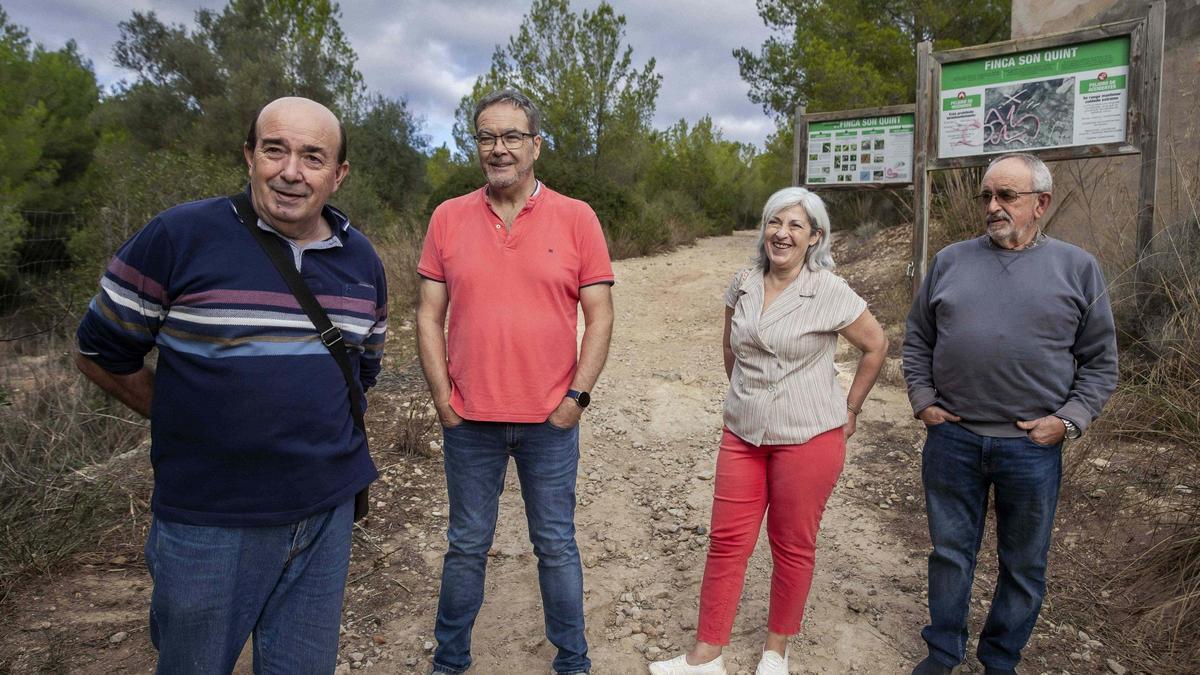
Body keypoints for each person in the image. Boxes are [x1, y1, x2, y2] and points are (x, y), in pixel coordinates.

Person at [74, 96, 387, 673]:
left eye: (313, 157)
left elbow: (361, 371)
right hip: (209, 519)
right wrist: (184, 416)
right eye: (275, 150)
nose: (291, 171)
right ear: (249, 156)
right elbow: (99, 352)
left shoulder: (361, 258)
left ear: (339, 174)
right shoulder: (179, 235)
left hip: (325, 512)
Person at [416, 88, 614, 675]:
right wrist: (443, 399)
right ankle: (449, 662)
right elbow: (427, 314)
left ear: (536, 146)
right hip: (469, 421)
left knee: (555, 545)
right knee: (466, 546)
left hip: (550, 422)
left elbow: (600, 315)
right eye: (486, 136)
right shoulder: (447, 217)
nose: (498, 148)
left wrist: (576, 399)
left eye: (511, 137)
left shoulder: (577, 217)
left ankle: (572, 662)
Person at [650, 187, 887, 675]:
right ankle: (706, 655)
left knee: (792, 545)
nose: (782, 233)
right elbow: (729, 348)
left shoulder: (828, 289)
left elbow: (876, 345)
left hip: (809, 436)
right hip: (744, 434)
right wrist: (747, 395)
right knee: (726, 541)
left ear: (814, 237)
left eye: (795, 225)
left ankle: (776, 651)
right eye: (774, 222)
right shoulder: (742, 283)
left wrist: (851, 408)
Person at [903, 153, 1118, 675]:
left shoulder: (1077, 267)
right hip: (953, 440)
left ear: (1040, 204)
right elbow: (917, 340)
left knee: (1023, 564)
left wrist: (1067, 421)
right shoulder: (950, 261)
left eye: (1006, 196)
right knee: (950, 554)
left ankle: (1000, 660)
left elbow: (1101, 362)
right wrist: (923, 399)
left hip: (1031, 448)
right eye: (987, 196)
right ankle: (942, 653)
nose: (992, 206)